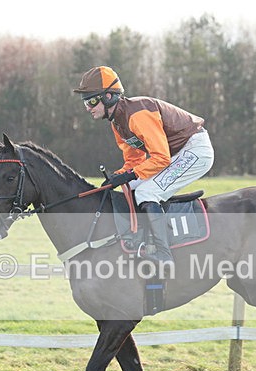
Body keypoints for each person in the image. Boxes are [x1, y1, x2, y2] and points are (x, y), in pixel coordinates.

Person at [74, 66, 214, 270]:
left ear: (110, 96)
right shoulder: (117, 122)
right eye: (86, 102)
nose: (88, 107)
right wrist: (119, 177)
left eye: (92, 101)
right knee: (130, 188)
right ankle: (140, 240)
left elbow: (160, 158)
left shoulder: (138, 114)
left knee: (147, 192)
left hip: (195, 150)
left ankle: (164, 255)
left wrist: (130, 174)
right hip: (176, 154)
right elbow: (135, 160)